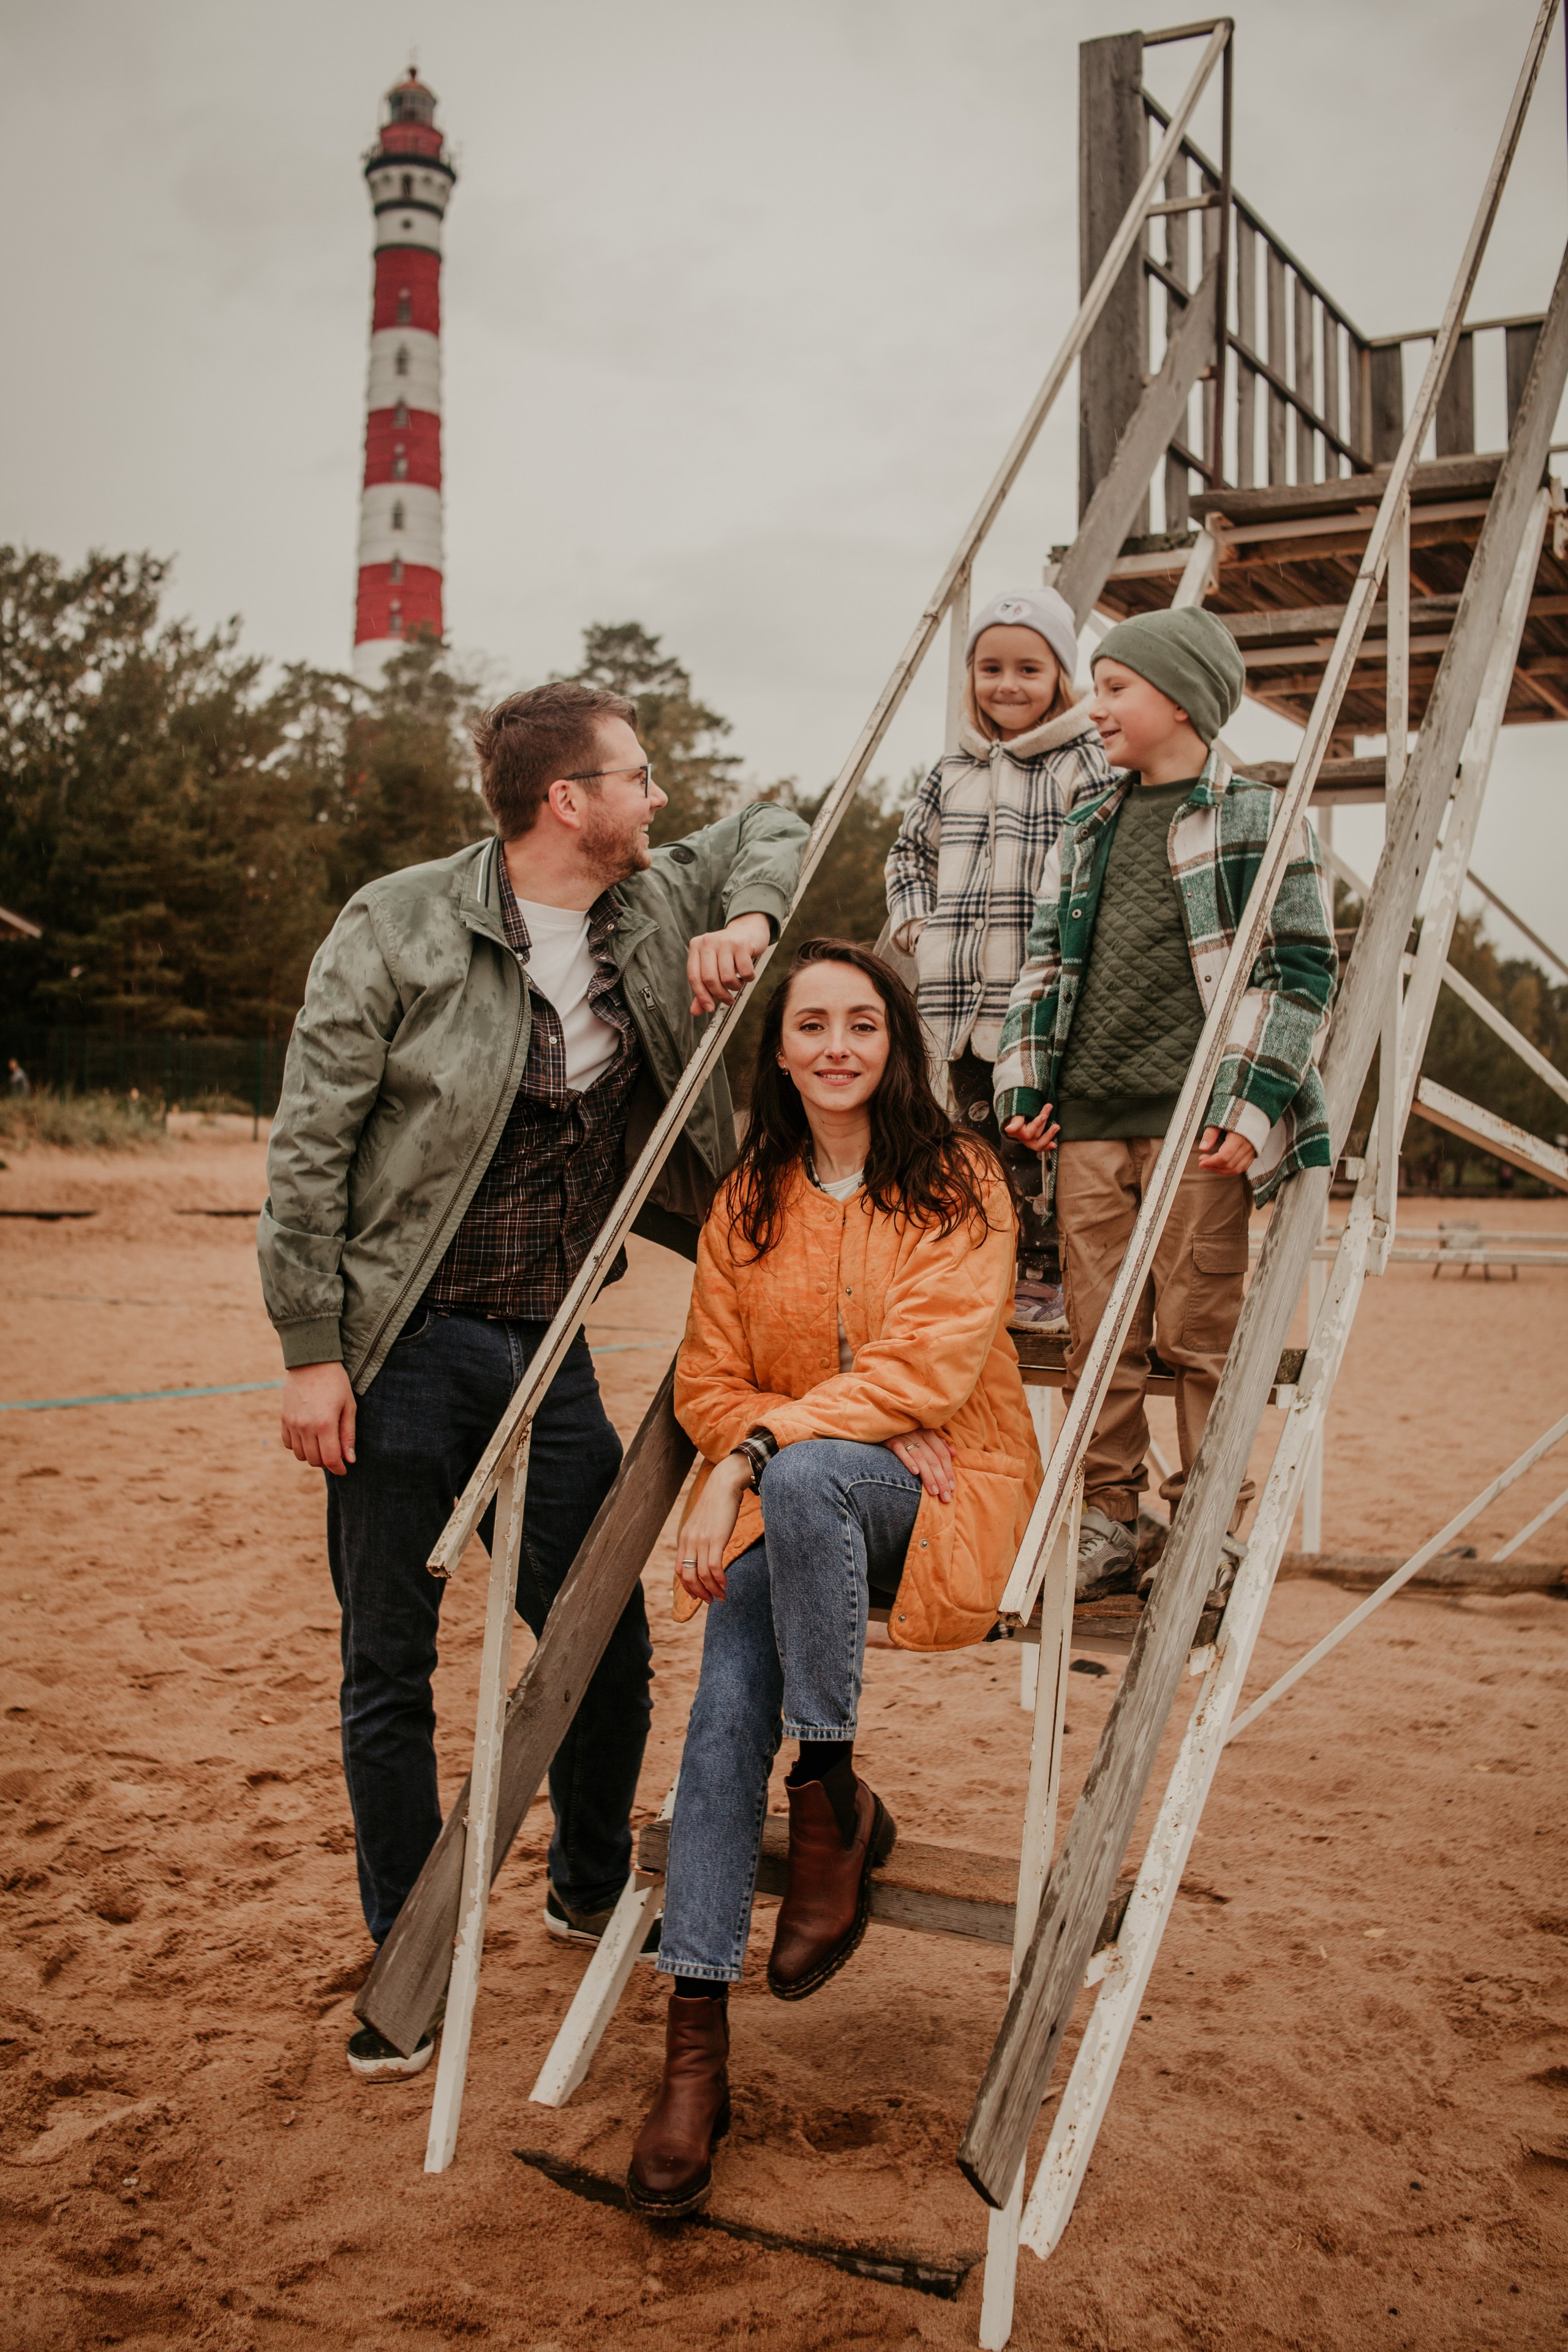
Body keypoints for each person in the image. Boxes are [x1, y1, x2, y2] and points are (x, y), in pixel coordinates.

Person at [257, 679, 807, 2081]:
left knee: (597, 1636)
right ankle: (410, 1949)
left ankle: (579, 1880)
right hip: (399, 1346)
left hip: (547, 1346)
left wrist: (742, 923)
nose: (657, 796)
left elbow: (770, 821)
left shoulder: (648, 904)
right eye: (635, 776)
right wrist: (311, 1351)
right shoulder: (398, 921)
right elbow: (310, 1143)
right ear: (569, 801)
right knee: (389, 1660)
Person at [625, 940, 1041, 2217]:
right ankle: (693, 2040)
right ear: (781, 1047)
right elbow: (703, 1380)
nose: (837, 1046)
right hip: (805, 1497)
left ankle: (827, 1794)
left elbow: (929, 1372)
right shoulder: (748, 1196)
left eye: (862, 1023)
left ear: (894, 1042)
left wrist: (761, 1445)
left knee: (801, 1479)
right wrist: (814, 1427)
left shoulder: (959, 1178)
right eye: (811, 1024)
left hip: (942, 1488)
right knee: (715, 1718)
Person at [992, 606, 1337, 1598]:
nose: (1092, 707)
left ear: (1181, 699)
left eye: (1113, 688)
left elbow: (1297, 969)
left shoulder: (1256, 817)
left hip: (1201, 1127)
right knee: (1104, 1340)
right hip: (1091, 1124)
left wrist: (1254, 1101)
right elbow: (1048, 963)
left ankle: (1203, 1532)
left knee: (1198, 1338)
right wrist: (1026, 1077)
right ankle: (1109, 1520)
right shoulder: (1090, 819)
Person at [883, 586, 1109, 1153]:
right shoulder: (952, 767)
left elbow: (1101, 864)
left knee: (1028, 1160)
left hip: (1034, 1011)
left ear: (1058, 675)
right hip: (951, 1009)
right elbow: (909, 852)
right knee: (958, 1158)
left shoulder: (1082, 761)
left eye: (1028, 669)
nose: (1007, 683)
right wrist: (917, 927)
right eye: (991, 668)